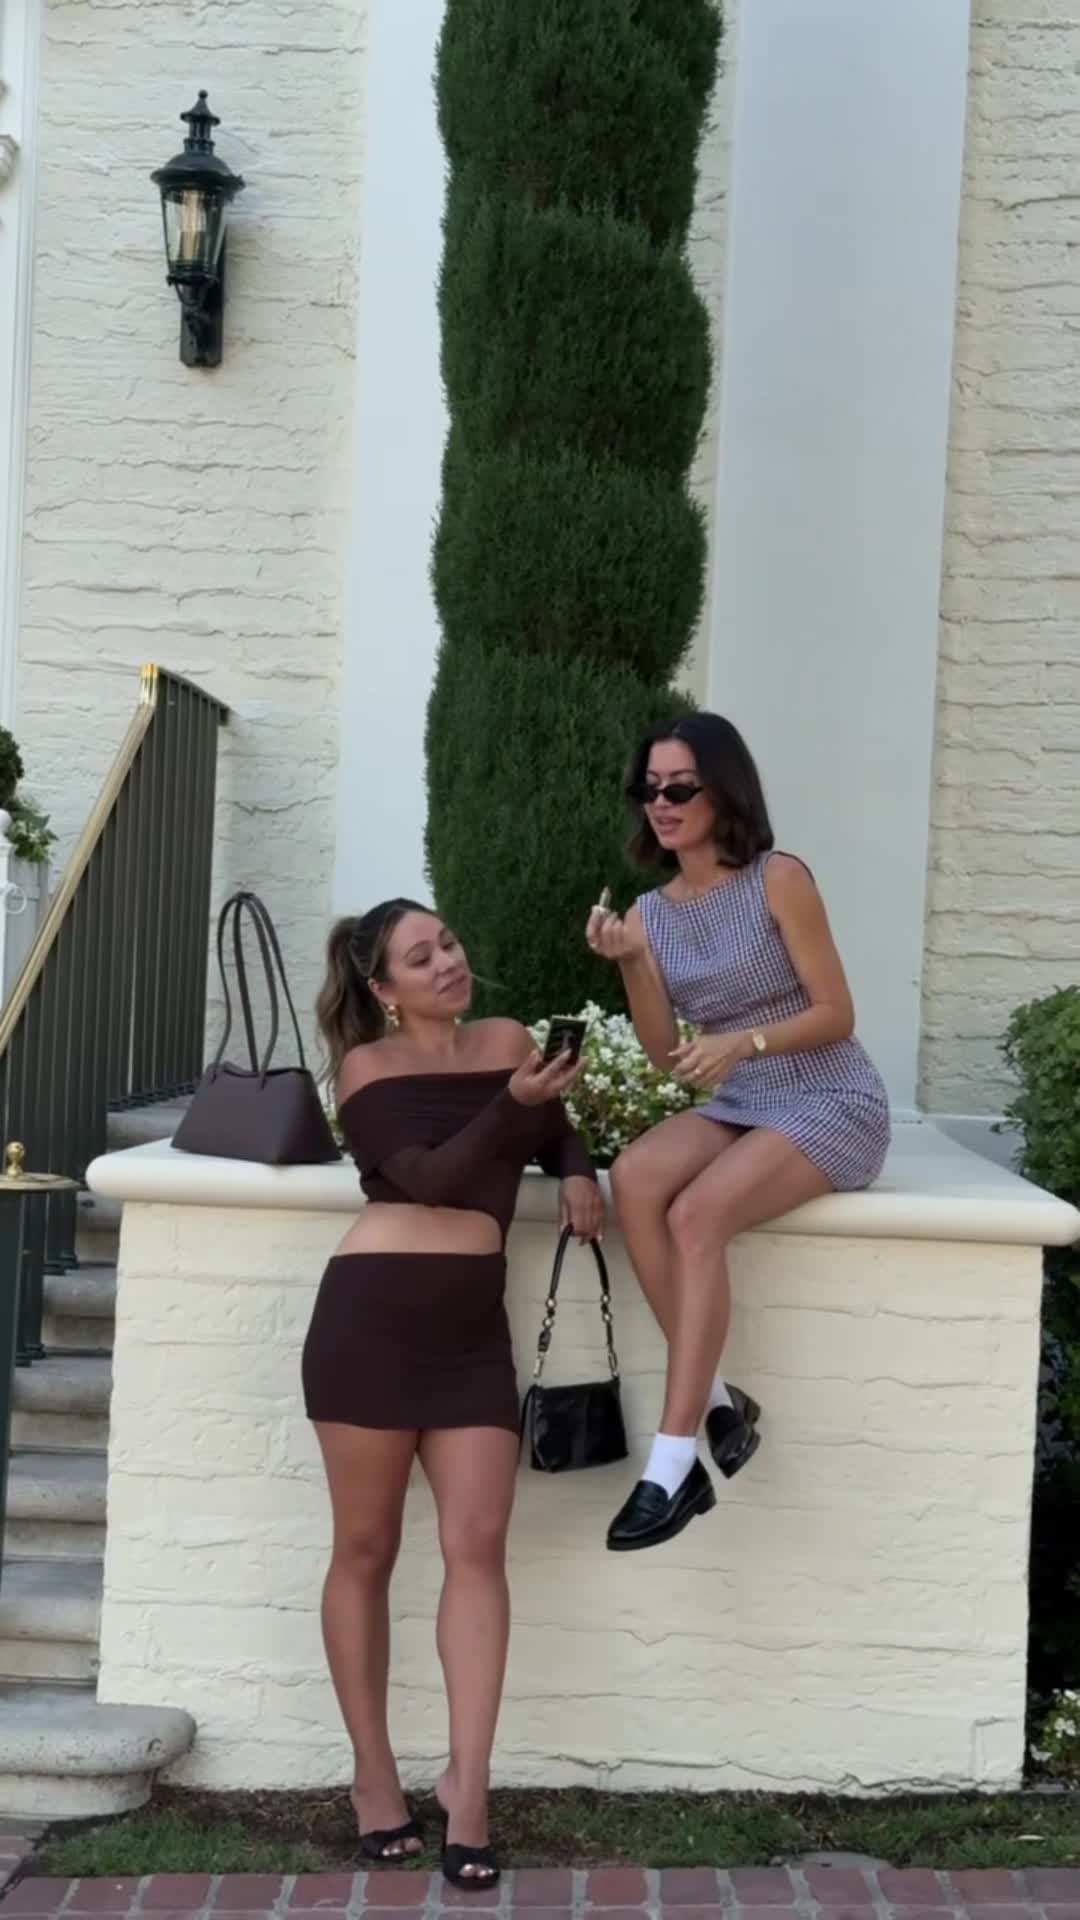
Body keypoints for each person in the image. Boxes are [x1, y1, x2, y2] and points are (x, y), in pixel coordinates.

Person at [303, 900, 602, 1886]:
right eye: (420, 957)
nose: (447, 963)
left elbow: (545, 1127)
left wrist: (577, 1166)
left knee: (478, 1546)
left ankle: (468, 1788)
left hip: (473, 1337)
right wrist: (517, 1105)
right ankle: (374, 1776)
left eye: (451, 943)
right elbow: (432, 1179)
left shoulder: (508, 1041)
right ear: (383, 989)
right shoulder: (367, 1069)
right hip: (369, 1324)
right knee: (366, 1548)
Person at [586, 713, 889, 1554]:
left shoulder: (778, 879)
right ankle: (719, 1401)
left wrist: (745, 1041)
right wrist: (631, 961)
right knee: (634, 1179)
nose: (661, 803)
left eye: (680, 787)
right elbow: (664, 1055)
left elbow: (836, 1013)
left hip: (829, 1094)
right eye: (648, 788)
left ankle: (673, 1461)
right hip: (743, 1096)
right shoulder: (650, 913)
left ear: (723, 791)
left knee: (695, 1215)